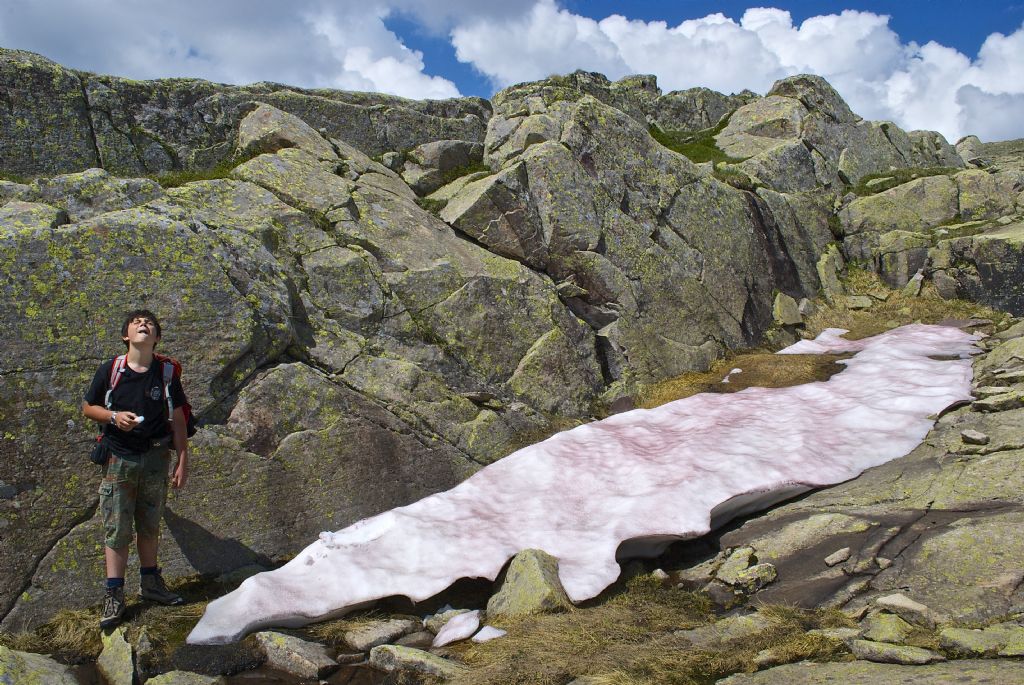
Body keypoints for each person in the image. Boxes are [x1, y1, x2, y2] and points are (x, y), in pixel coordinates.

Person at [82, 310, 190, 628]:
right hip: (119, 458)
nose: (144, 325)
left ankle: (151, 584)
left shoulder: (166, 373)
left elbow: (179, 417)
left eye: (150, 324)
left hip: (156, 458)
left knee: (149, 523)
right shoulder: (112, 370)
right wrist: (114, 417)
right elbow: (88, 407)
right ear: (126, 336)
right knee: (117, 527)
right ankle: (114, 594)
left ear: (156, 338)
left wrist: (183, 457)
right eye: (137, 323)